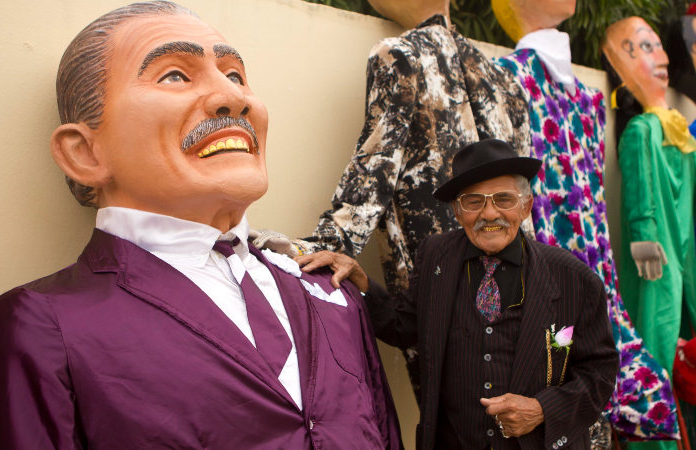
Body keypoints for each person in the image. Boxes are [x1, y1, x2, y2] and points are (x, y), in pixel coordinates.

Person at [0, 2, 402, 449]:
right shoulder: (44, 324)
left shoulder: (332, 291)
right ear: (83, 154)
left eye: (234, 75)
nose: (234, 98)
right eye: (174, 75)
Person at [297, 138, 619, 450]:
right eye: (474, 201)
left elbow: (599, 371)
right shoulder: (436, 255)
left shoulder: (574, 278)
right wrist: (359, 278)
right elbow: (404, 324)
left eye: (504, 200)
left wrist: (543, 409)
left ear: (526, 208)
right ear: (456, 210)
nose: (489, 214)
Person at [287, 0, 531, 403]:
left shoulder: (400, 54)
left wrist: (323, 248)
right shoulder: (505, 79)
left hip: (443, 288)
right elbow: (523, 188)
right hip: (518, 278)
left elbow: (376, 166)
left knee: (457, 416)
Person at [491, 0, 678, 443]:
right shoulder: (506, 79)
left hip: (600, 288)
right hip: (548, 296)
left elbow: (595, 205)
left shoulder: (590, 100)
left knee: (650, 393)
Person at [603, 17, 696, 450]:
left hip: (686, 250)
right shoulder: (641, 130)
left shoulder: (676, 132)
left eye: (658, 45)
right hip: (656, 257)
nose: (659, 57)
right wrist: (643, 238)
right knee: (655, 348)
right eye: (641, 47)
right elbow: (640, 199)